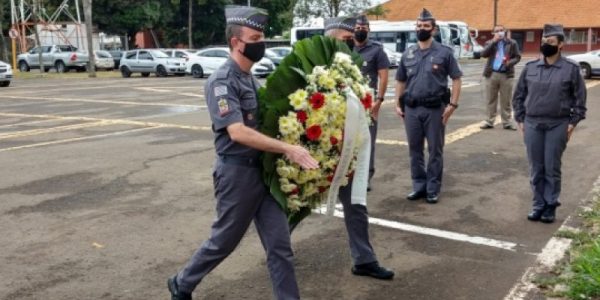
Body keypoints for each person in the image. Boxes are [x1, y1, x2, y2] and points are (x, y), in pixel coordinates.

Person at [167, 6, 319, 300]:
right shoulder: (222, 81)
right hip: (237, 174)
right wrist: (288, 148)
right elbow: (237, 132)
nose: (261, 43)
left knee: (280, 246)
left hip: (263, 172)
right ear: (237, 42)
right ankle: (182, 282)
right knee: (224, 241)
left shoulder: (251, 78)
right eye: (256, 37)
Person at [322, 16, 395, 280]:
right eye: (344, 39)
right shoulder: (311, 66)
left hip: (346, 149)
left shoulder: (351, 68)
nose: (350, 44)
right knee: (295, 203)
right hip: (317, 151)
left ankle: (364, 259)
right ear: (328, 37)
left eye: (351, 39)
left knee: (355, 203)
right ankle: (279, 251)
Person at [512, 24, 587, 223]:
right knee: (536, 167)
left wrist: (572, 124)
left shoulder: (570, 69)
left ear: (560, 45)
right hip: (533, 123)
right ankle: (538, 204)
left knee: (552, 167)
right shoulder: (530, 68)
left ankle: (550, 205)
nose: (546, 44)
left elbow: (580, 101)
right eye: (544, 41)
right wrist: (520, 119)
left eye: (551, 42)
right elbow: (518, 96)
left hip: (557, 124)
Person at [394, 8, 463, 204]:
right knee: (414, 150)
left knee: (435, 150)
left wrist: (453, 104)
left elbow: (457, 79)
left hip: (435, 109)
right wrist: (398, 103)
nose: (421, 29)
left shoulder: (444, 53)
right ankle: (418, 185)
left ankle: (433, 188)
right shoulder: (408, 53)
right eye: (419, 26)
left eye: (425, 26)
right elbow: (400, 80)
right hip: (412, 109)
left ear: (433, 30)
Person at [353, 15, 391, 191]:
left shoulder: (377, 50)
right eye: (358, 27)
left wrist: (379, 100)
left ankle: (366, 177)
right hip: (348, 103)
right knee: (348, 141)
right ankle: (349, 175)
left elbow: (384, 76)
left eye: (364, 28)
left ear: (369, 29)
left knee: (367, 141)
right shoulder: (346, 48)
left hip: (369, 104)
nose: (360, 30)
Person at [480, 24, 521, 130]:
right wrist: (494, 41)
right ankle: (489, 121)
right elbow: (483, 54)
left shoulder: (512, 43)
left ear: (505, 31)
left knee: (506, 99)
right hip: (491, 73)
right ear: (493, 33)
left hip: (506, 74)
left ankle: (507, 122)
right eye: (497, 31)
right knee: (490, 99)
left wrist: (509, 63)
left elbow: (517, 57)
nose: (499, 32)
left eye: (501, 30)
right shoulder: (490, 43)